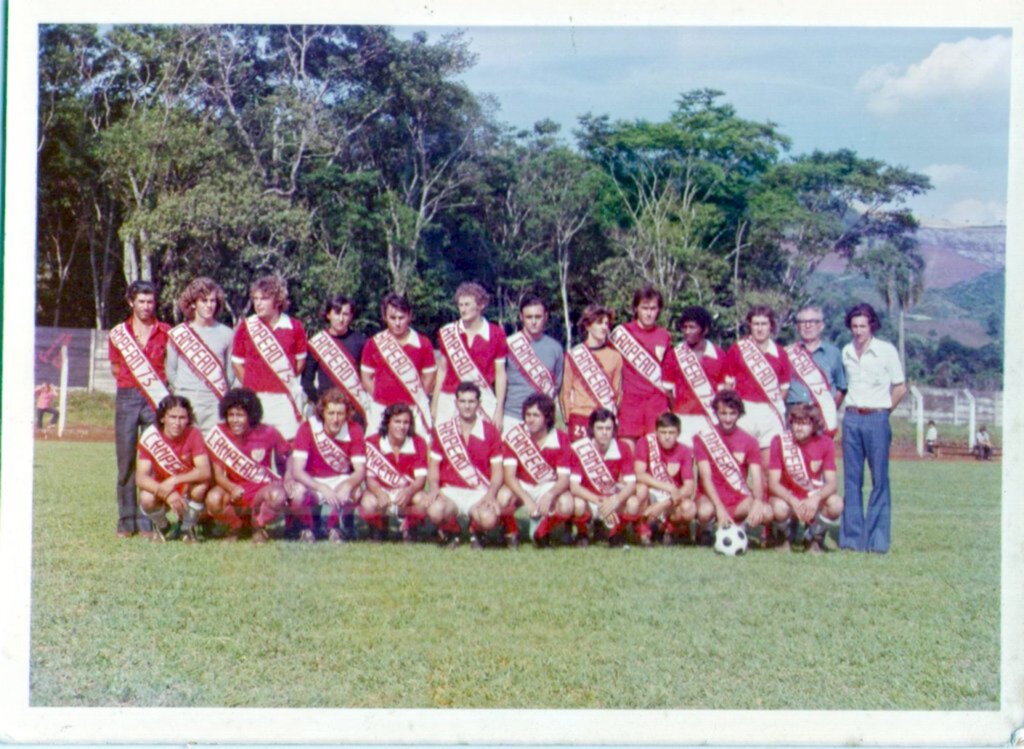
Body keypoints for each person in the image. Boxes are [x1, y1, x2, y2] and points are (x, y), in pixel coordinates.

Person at [839, 302, 907, 553]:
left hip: (877, 418)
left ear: (872, 326)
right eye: (854, 326)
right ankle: (852, 539)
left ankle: (877, 540)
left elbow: (900, 387)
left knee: (879, 480)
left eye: (862, 326)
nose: (858, 331)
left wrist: (885, 411)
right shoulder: (846, 351)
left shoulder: (886, 351)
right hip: (852, 418)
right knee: (852, 480)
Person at [109, 280, 171, 538]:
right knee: (126, 462)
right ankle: (126, 521)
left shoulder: (166, 331)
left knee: (151, 461)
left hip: (155, 399)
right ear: (131, 302)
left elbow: (171, 366)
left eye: (150, 301)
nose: (146, 307)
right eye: (141, 301)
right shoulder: (118, 333)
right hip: (127, 397)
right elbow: (115, 368)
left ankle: (148, 522)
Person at [425, 381, 504, 549]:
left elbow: (497, 470)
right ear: (456, 403)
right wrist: (433, 488)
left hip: (478, 491)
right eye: (462, 401)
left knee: (489, 518)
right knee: (434, 510)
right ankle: (453, 530)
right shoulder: (443, 430)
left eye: (471, 402)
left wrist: (491, 494)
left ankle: (475, 531)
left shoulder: (490, 431)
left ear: (479, 404)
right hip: (451, 491)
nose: (467, 406)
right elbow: (434, 466)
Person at [204, 387, 290, 543]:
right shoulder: (220, 433)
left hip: (260, 490)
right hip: (234, 489)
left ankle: (258, 526)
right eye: (231, 415)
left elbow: (286, 457)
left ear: (250, 415)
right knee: (213, 499)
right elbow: (217, 474)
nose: (235, 420)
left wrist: (287, 481)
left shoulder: (268, 432)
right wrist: (231, 488)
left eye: (240, 415)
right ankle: (235, 526)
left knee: (278, 496)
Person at [231, 275, 307, 440]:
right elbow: (237, 364)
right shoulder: (247, 326)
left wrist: (280, 381)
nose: (258, 303)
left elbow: (300, 363)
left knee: (288, 447)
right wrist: (254, 383)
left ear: (278, 300)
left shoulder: (295, 326)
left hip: (284, 399)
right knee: (257, 448)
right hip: (256, 399)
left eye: (264, 298)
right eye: (255, 298)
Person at [286, 388, 366, 543]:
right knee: (298, 493)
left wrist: (348, 485)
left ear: (347, 414)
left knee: (356, 491)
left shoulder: (354, 429)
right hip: (312, 479)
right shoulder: (307, 428)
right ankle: (306, 528)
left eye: (340, 414)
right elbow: (297, 470)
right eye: (331, 413)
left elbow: (360, 471)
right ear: (322, 413)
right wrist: (321, 487)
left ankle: (336, 527)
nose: (335, 419)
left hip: (339, 478)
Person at [692, 390, 772, 545]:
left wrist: (757, 501)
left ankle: (740, 531)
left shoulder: (750, 441)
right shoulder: (702, 438)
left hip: (738, 498)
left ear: (739, 413)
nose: (728, 418)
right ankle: (705, 530)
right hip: (710, 497)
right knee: (704, 511)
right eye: (723, 413)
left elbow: (757, 477)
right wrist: (719, 507)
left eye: (732, 413)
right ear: (716, 412)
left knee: (766, 512)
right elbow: (705, 478)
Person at [766, 403, 844, 554]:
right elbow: (773, 483)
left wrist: (816, 499)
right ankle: (784, 538)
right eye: (796, 423)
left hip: (811, 498)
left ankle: (813, 539)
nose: (799, 428)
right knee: (778, 507)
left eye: (805, 424)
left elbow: (832, 483)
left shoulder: (825, 443)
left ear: (815, 426)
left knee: (836, 504)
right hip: (788, 499)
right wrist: (792, 500)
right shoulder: (779, 441)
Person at [497, 393, 573, 548]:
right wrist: (526, 499)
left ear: (547, 417)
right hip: (523, 484)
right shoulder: (515, 436)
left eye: (536, 415)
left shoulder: (561, 439)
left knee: (567, 504)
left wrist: (550, 494)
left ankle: (542, 532)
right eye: (528, 415)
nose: (530, 419)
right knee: (503, 497)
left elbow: (564, 479)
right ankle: (511, 532)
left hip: (548, 485)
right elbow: (510, 476)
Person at [723, 305, 793, 470]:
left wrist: (771, 408)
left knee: (768, 468)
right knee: (737, 466)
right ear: (750, 325)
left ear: (771, 326)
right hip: (743, 411)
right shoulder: (737, 349)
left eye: (763, 324)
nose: (760, 328)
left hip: (770, 413)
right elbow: (727, 385)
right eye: (756, 324)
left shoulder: (781, 353)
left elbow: (784, 389)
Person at [135, 395, 212, 543]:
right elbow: (141, 478)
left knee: (200, 487)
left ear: (188, 419)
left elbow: (205, 471)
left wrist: (175, 480)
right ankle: (163, 526)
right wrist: (167, 493)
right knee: (146, 497)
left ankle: (187, 527)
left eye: (182, 418)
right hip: (163, 486)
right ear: (163, 418)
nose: (177, 423)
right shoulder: (150, 436)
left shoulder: (193, 433)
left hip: (186, 485)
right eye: (173, 417)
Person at [360, 292, 436, 437]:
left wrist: (415, 398)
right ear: (385, 317)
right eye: (392, 318)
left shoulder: (423, 343)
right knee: (375, 450)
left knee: (420, 450)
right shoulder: (374, 343)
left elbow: (429, 378)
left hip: (414, 409)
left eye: (401, 317)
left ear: (409, 316)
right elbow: (366, 378)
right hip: (381, 408)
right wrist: (382, 396)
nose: (397, 322)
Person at [433, 282, 508, 426]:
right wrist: (435, 403)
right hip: (449, 398)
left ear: (481, 305)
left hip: (482, 398)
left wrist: (499, 410)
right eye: (460, 305)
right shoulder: (447, 332)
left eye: (467, 304)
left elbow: (500, 374)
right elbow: (442, 370)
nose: (463, 309)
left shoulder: (496, 333)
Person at [166, 277, 235, 432]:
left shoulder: (227, 334)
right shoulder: (178, 334)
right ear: (193, 303)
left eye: (213, 301)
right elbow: (171, 371)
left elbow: (230, 373)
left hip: (215, 402)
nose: (209, 305)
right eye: (204, 301)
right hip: (186, 400)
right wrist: (182, 391)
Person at [568, 409, 643, 548]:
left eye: (608, 428)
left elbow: (631, 484)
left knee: (633, 503)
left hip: (611, 497)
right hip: (590, 499)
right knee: (577, 504)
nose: (604, 432)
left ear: (614, 430)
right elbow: (574, 487)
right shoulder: (580, 448)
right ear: (592, 429)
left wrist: (616, 501)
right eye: (600, 428)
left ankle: (616, 534)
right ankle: (582, 533)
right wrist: (600, 501)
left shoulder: (623, 447)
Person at [609, 286, 672, 447]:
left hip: (656, 404)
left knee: (655, 458)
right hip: (629, 404)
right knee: (627, 458)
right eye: (644, 308)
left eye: (653, 308)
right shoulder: (621, 333)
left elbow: (668, 373)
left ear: (659, 310)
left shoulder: (664, 335)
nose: (649, 313)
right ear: (636, 308)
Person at [363, 403, 431, 543]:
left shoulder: (418, 442)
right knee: (368, 503)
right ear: (387, 422)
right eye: (397, 421)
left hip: (406, 493)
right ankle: (379, 528)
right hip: (383, 491)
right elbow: (370, 478)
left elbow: (421, 479)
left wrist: (409, 491)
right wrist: (378, 492)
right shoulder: (372, 442)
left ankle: (410, 527)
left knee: (423, 500)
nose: (402, 426)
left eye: (406, 422)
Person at [661, 305, 726, 447]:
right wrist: (678, 413)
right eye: (684, 327)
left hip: (711, 419)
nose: (687, 332)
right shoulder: (674, 354)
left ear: (705, 330)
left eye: (692, 327)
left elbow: (723, 392)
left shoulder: (719, 355)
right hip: (683, 419)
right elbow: (668, 391)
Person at [303, 294, 370, 429]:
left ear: (351, 316)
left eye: (345, 314)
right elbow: (307, 382)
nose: (341, 319)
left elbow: (368, 377)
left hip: (354, 410)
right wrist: (321, 403)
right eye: (337, 313)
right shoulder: (317, 343)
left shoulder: (361, 341)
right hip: (326, 411)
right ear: (328, 315)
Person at [502, 295, 564, 435]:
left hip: (542, 420)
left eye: (538, 316)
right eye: (529, 317)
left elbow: (557, 385)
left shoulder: (556, 348)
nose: (534, 322)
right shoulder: (508, 345)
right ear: (521, 317)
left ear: (546, 316)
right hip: (512, 417)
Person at [560, 304, 623, 441]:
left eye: (607, 323)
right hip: (580, 416)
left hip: (604, 418)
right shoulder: (573, 355)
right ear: (588, 325)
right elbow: (565, 391)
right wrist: (567, 418)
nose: (604, 327)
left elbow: (617, 392)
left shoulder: (616, 356)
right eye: (599, 323)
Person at [635, 412, 696, 546]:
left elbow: (689, 487)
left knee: (689, 508)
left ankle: (670, 527)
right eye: (663, 432)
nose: (667, 437)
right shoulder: (645, 443)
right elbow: (639, 474)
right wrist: (667, 487)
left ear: (678, 433)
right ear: (656, 432)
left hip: (671, 500)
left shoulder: (685, 451)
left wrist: (663, 505)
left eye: (671, 432)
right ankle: (643, 529)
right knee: (640, 489)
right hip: (652, 495)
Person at [785, 304, 846, 435]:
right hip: (793, 414)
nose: (808, 326)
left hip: (821, 415)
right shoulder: (786, 353)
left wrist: (829, 409)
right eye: (803, 322)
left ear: (821, 326)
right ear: (797, 326)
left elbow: (841, 387)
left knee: (819, 455)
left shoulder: (833, 353)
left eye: (813, 321)